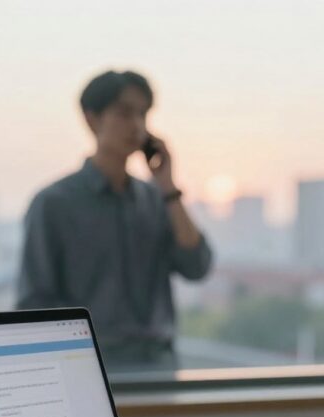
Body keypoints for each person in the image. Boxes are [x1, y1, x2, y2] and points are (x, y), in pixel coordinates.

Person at [17, 70, 213, 372]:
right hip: (88, 368)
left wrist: (168, 189)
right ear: (92, 119)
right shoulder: (53, 204)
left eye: (142, 114)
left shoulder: (155, 200)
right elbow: (34, 304)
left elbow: (196, 266)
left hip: (160, 366)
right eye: (124, 113)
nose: (136, 125)